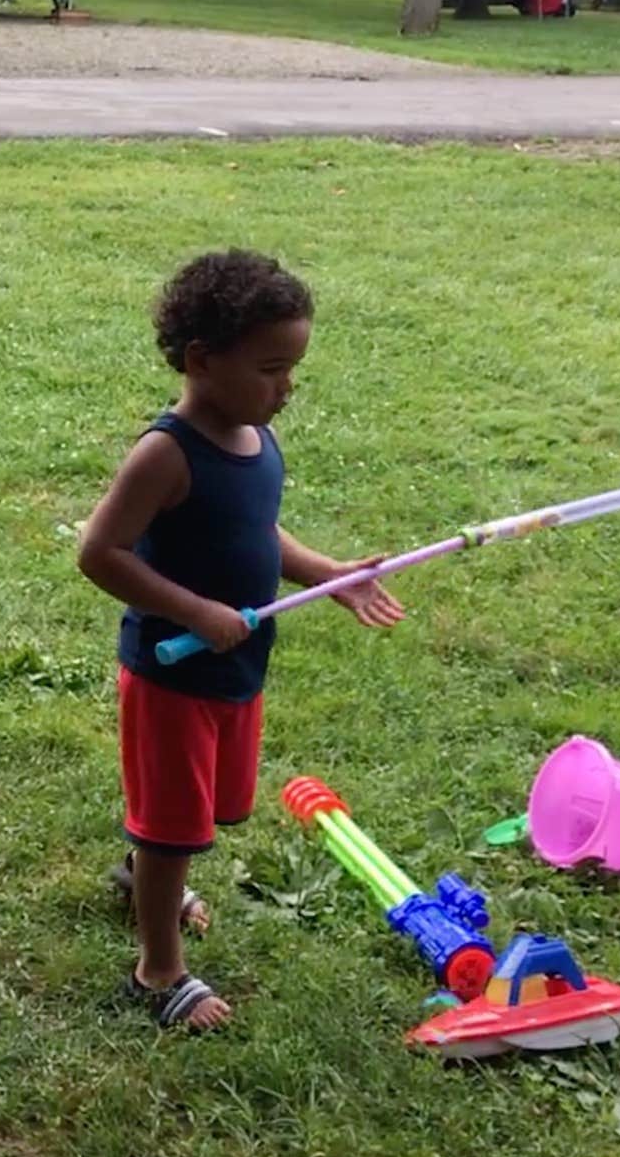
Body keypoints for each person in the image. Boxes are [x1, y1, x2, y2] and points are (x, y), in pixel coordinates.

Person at [77, 249, 403, 1033]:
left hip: (235, 667)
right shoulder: (166, 454)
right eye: (270, 368)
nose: (286, 386)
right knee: (172, 824)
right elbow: (99, 553)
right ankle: (159, 970)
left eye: (293, 368)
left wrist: (328, 571)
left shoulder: (254, 439)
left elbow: (256, 532)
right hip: (172, 674)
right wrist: (193, 610)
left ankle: (142, 875)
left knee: (210, 810)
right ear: (201, 360)